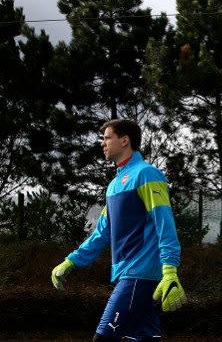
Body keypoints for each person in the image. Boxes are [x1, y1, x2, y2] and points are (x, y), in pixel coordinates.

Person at [50, 119, 186, 342]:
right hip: (129, 274)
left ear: (125, 140)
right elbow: (102, 232)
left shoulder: (147, 174)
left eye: (107, 137)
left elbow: (165, 223)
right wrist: (71, 261)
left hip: (139, 275)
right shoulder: (114, 185)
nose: (102, 143)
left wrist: (170, 269)